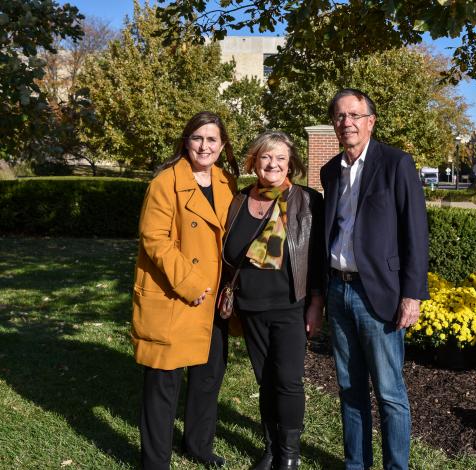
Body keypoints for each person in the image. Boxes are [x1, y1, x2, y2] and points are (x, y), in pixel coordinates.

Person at [320, 89, 430, 470]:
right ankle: (357, 465)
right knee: (350, 390)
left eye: (354, 115)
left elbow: (415, 231)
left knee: (389, 393)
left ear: (370, 121)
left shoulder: (396, 164)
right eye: (339, 116)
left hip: (378, 294)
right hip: (338, 289)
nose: (346, 122)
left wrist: (412, 294)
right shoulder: (330, 170)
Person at [131, 111, 238, 469]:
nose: (204, 146)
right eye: (198, 138)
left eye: (212, 139)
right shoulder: (165, 182)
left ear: (222, 146)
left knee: (208, 379)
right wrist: (190, 284)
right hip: (175, 295)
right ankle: (155, 461)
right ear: (186, 141)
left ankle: (199, 445)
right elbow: (154, 240)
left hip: (215, 301)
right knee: (164, 384)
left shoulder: (226, 182)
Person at [220, 131, 324, 470]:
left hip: (290, 305)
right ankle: (271, 448)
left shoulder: (307, 201)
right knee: (265, 381)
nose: (273, 164)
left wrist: (316, 304)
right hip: (250, 306)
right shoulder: (238, 201)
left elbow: (319, 259)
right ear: (254, 161)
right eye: (265, 157)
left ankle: (290, 455)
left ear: (290, 163)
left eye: (280, 158)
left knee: (289, 381)